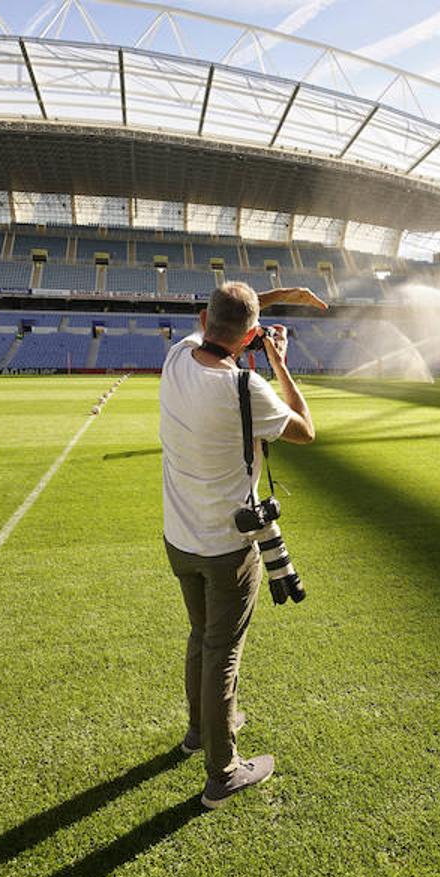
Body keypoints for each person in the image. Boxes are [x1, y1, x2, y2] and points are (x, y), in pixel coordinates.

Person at [159, 281, 323, 809]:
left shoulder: (176, 356)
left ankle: (197, 732)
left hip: (180, 537)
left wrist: (265, 303)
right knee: (222, 652)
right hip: (228, 546)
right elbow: (305, 430)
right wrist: (277, 359)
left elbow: (225, 321)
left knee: (201, 636)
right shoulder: (246, 386)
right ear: (251, 335)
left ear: (204, 320)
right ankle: (222, 771)